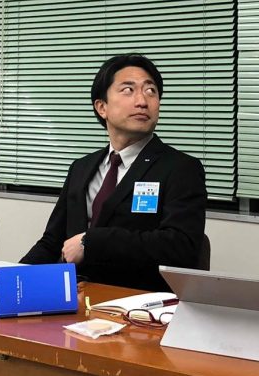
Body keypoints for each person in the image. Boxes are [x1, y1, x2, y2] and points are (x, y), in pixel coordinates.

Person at [20, 54, 206, 291]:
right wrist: (11, 280)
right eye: (128, 90)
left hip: (135, 302)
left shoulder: (180, 168)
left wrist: (91, 241)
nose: (142, 101)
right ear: (102, 107)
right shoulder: (81, 168)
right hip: (73, 298)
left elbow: (181, 247)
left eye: (151, 91)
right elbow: (53, 242)